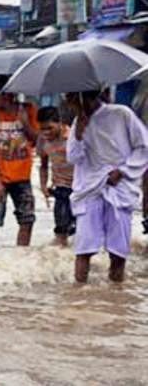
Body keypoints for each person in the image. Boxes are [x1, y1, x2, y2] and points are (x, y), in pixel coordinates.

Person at [65, 90, 148, 283]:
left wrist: (123, 171)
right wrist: (78, 133)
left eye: (70, 98)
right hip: (89, 190)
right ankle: (78, 297)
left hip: (120, 189)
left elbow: (144, 146)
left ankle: (116, 296)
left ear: (83, 97)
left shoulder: (121, 113)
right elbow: (73, 158)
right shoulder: (79, 123)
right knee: (84, 249)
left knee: (118, 252)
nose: (68, 103)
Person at [0, 75, 39, 249]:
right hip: (0, 177)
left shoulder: (28, 110)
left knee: (27, 220)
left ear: (7, 93)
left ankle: (21, 258)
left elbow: (37, 140)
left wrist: (25, 123)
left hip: (22, 177)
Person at [36, 107, 75, 247]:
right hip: (61, 187)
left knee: (82, 228)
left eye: (50, 128)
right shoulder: (42, 140)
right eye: (42, 129)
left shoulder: (73, 137)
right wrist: (43, 186)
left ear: (60, 123)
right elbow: (43, 165)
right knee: (61, 228)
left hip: (80, 187)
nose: (46, 133)